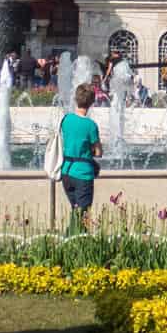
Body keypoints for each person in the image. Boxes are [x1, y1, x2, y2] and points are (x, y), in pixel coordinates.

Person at [58, 84, 102, 231]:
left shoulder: (66, 119)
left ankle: (72, 242)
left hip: (66, 172)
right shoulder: (91, 125)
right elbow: (98, 152)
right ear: (91, 102)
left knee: (76, 211)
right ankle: (72, 244)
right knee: (82, 215)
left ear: (76, 98)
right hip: (83, 174)